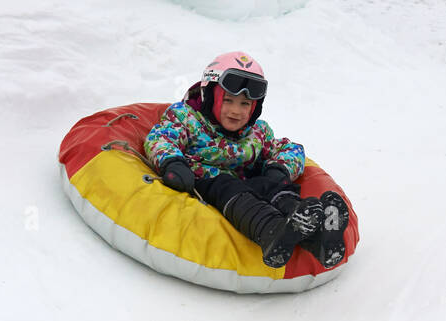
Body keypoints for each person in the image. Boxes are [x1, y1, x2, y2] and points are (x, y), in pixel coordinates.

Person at [144, 51, 350, 269]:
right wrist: (173, 163)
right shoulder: (186, 117)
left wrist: (279, 170)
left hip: (248, 185)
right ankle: (272, 232)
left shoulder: (257, 132)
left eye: (245, 104)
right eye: (228, 100)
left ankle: (318, 237)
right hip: (208, 183)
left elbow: (288, 148)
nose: (236, 111)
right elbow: (161, 137)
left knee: (271, 183)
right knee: (228, 185)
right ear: (211, 96)